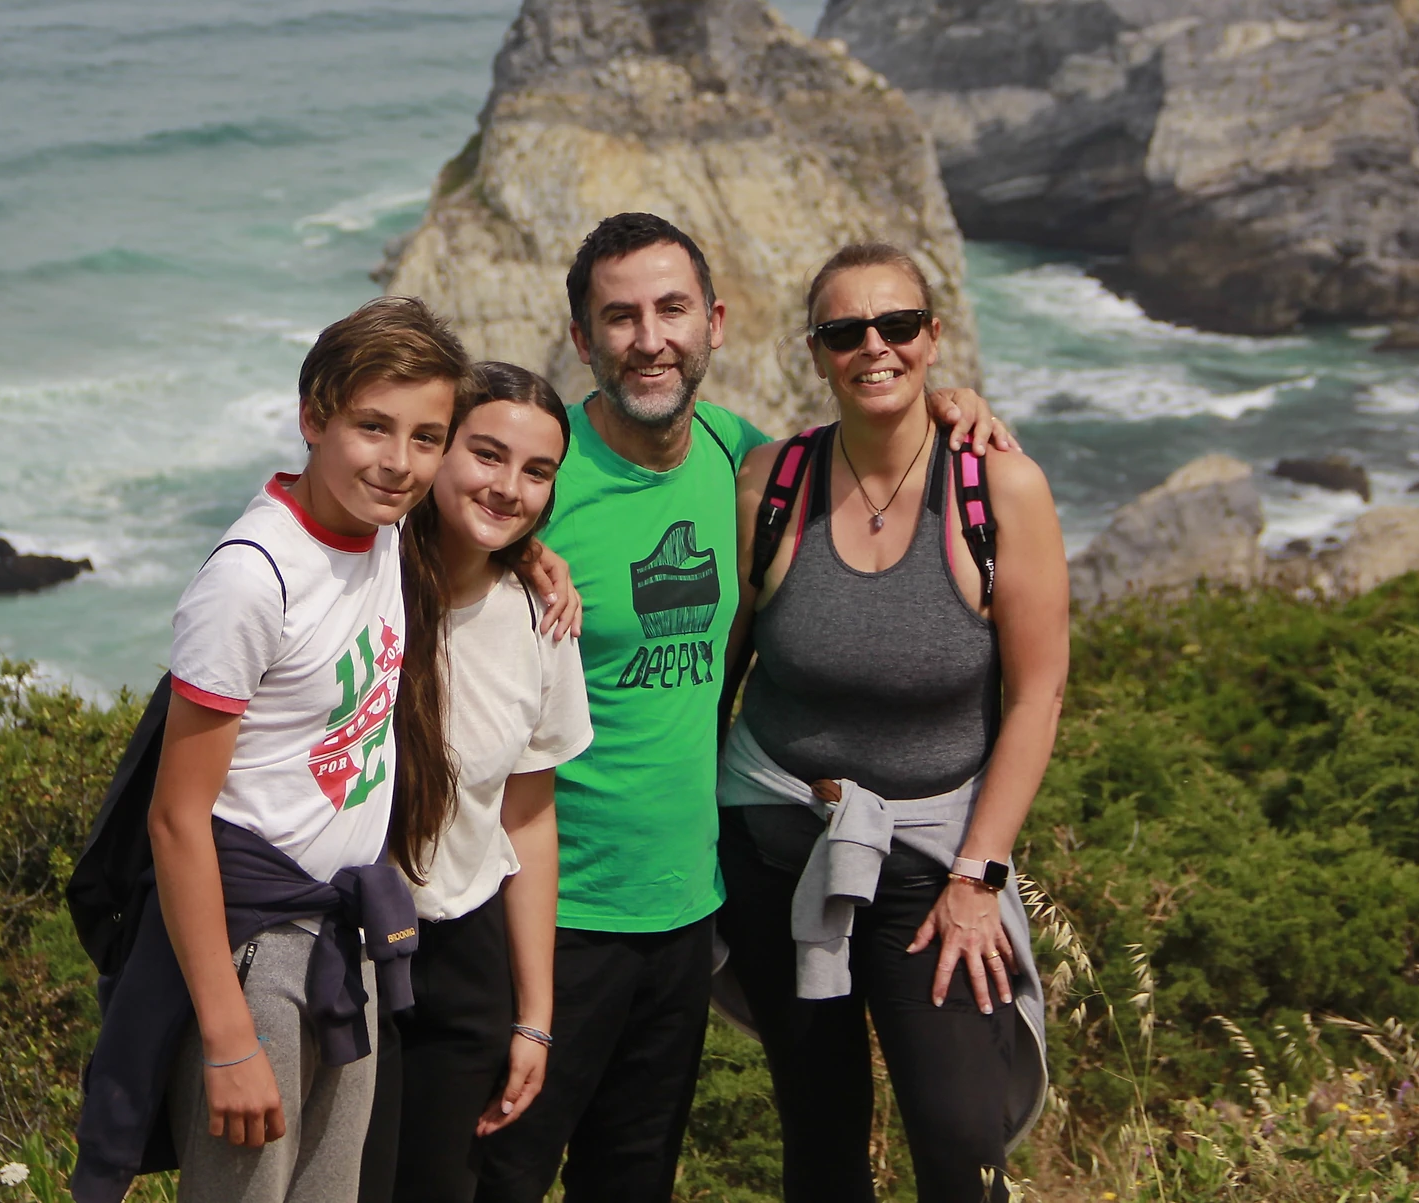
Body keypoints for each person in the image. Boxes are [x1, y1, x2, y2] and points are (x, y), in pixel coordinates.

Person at [474, 212, 1013, 1203]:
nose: (650, 338)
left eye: (671, 309)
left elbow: (865, 446)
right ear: (583, 340)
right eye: (619, 317)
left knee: (631, 1181)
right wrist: (511, 543)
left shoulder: (748, 464)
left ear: (714, 323)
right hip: (542, 908)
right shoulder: (539, 480)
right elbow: (423, 538)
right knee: (493, 1178)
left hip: (686, 911)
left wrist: (948, 411)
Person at [76, 297, 466, 1203]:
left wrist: (536, 560)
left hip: (348, 931)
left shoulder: (384, 528)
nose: (400, 461)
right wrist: (228, 1035)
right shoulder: (252, 580)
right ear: (314, 416)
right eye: (373, 426)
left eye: (426, 435)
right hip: (256, 956)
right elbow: (177, 821)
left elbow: (482, 513)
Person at [714, 243, 1069, 1203]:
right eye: (845, 331)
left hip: (933, 866)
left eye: (897, 325)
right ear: (817, 352)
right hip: (779, 852)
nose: (875, 346)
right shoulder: (770, 485)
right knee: (820, 1140)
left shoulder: (1000, 488)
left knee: (963, 1144)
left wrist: (978, 875)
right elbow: (717, 676)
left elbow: (1038, 696)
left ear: (933, 336)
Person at [361, 363, 592, 1203]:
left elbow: (528, 817)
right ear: (437, 451)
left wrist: (534, 1016)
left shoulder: (542, 615)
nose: (509, 487)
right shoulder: (356, 580)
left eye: (537, 471)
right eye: (487, 454)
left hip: (462, 958)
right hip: (341, 949)